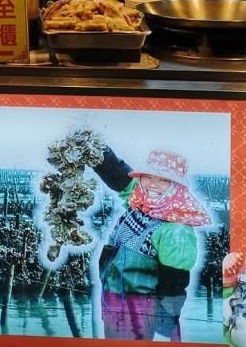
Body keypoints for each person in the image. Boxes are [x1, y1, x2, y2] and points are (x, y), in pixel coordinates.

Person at [90, 145, 212, 342]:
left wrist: (163, 328)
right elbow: (120, 177)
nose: (153, 184)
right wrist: (97, 150)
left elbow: (174, 284)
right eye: (149, 176)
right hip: (113, 300)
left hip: (142, 313)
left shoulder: (175, 231)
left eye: (164, 180)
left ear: (176, 187)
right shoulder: (142, 202)